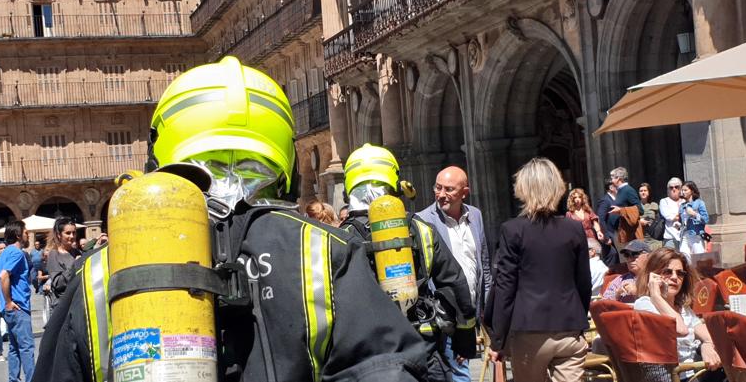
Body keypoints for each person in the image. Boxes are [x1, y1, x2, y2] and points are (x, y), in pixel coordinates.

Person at [34, 56, 428, 382]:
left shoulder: (99, 274)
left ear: (159, 157)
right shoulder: (322, 252)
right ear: (286, 160)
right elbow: (386, 368)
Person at [341, 145, 477, 382]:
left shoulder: (337, 237)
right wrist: (464, 341)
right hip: (422, 350)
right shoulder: (421, 229)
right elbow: (455, 284)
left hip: (365, 357)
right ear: (394, 183)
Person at [486, 157, 591, 382]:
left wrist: (497, 339)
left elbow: (505, 286)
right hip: (569, 327)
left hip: (528, 329)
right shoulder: (574, 229)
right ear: (558, 187)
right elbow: (584, 282)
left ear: (522, 188)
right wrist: (578, 318)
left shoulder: (512, 230)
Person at [417, 165, 493, 382]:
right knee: (458, 373)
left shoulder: (475, 216)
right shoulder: (423, 221)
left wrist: (488, 312)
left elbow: (484, 267)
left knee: (458, 371)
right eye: (438, 188)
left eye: (449, 189)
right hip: (444, 315)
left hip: (470, 314)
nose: (441, 194)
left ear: (464, 192)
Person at [633, 247, 720, 380]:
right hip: (675, 376)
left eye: (680, 273)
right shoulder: (645, 304)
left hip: (695, 371)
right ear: (652, 276)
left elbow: (709, 336)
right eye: (667, 272)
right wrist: (656, 296)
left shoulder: (682, 308)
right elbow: (680, 329)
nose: (674, 277)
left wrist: (706, 345)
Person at [0, 220, 35, 382]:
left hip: (9, 309)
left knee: (15, 348)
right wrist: (7, 300)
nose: (27, 234)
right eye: (26, 232)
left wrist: (1, 298)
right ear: (18, 234)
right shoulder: (17, 253)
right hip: (18, 307)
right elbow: (2, 276)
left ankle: (13, 379)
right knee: (26, 347)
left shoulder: (4, 254)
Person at [45, 217, 81, 310]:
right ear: (59, 235)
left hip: (79, 302)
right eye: (68, 233)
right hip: (64, 307)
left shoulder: (77, 252)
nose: (72, 236)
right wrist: (75, 265)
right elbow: (58, 283)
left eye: (74, 232)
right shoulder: (54, 254)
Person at [609, 167, 643, 249]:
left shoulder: (628, 190)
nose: (611, 180)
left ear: (618, 178)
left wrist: (621, 210)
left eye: (612, 178)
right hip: (622, 233)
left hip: (630, 234)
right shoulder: (620, 190)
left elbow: (640, 209)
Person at [679, 181, 709, 256]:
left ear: (692, 191)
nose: (683, 192)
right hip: (684, 235)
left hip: (696, 236)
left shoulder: (699, 203)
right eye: (682, 190)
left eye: (685, 190)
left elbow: (706, 219)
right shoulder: (682, 206)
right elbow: (682, 221)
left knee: (699, 259)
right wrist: (678, 224)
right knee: (684, 257)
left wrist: (694, 214)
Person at [595, 179, 620, 267]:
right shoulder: (605, 200)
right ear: (611, 187)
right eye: (617, 185)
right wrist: (606, 237)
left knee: (617, 259)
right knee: (612, 258)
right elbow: (600, 219)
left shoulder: (615, 199)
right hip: (609, 236)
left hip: (616, 235)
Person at [658, 178, 685, 250]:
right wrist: (682, 216)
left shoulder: (685, 201)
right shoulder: (664, 201)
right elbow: (669, 217)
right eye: (671, 187)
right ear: (668, 190)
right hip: (670, 237)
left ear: (681, 188)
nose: (674, 189)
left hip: (685, 237)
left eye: (676, 187)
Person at [638, 182, 663, 250]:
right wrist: (639, 222)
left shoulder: (654, 205)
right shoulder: (636, 206)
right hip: (641, 237)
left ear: (649, 192)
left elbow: (661, 219)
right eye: (641, 191)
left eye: (645, 190)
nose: (643, 192)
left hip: (654, 237)